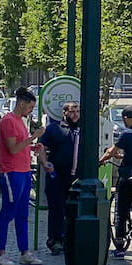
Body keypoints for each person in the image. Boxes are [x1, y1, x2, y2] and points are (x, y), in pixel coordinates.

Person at [0, 88, 44, 265]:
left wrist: (31, 147)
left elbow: (19, 147)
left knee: (22, 214)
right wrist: (33, 138)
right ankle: (1, 253)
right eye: (30, 107)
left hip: (22, 171)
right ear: (21, 104)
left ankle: (24, 252)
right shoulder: (9, 121)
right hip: (11, 172)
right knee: (8, 212)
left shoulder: (19, 121)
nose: (31, 110)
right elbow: (13, 149)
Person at [102, 107, 132, 258]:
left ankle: (120, 244)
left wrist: (101, 160)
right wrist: (123, 155)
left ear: (125, 119)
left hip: (128, 176)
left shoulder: (126, 134)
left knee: (121, 208)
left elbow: (111, 151)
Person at [40, 101, 82, 255]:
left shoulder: (84, 130)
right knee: (56, 209)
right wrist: (45, 163)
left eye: (77, 111)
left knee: (75, 209)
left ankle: (71, 239)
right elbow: (41, 148)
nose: (75, 114)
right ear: (64, 113)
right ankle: (55, 240)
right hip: (57, 176)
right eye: (72, 111)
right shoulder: (54, 129)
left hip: (77, 177)